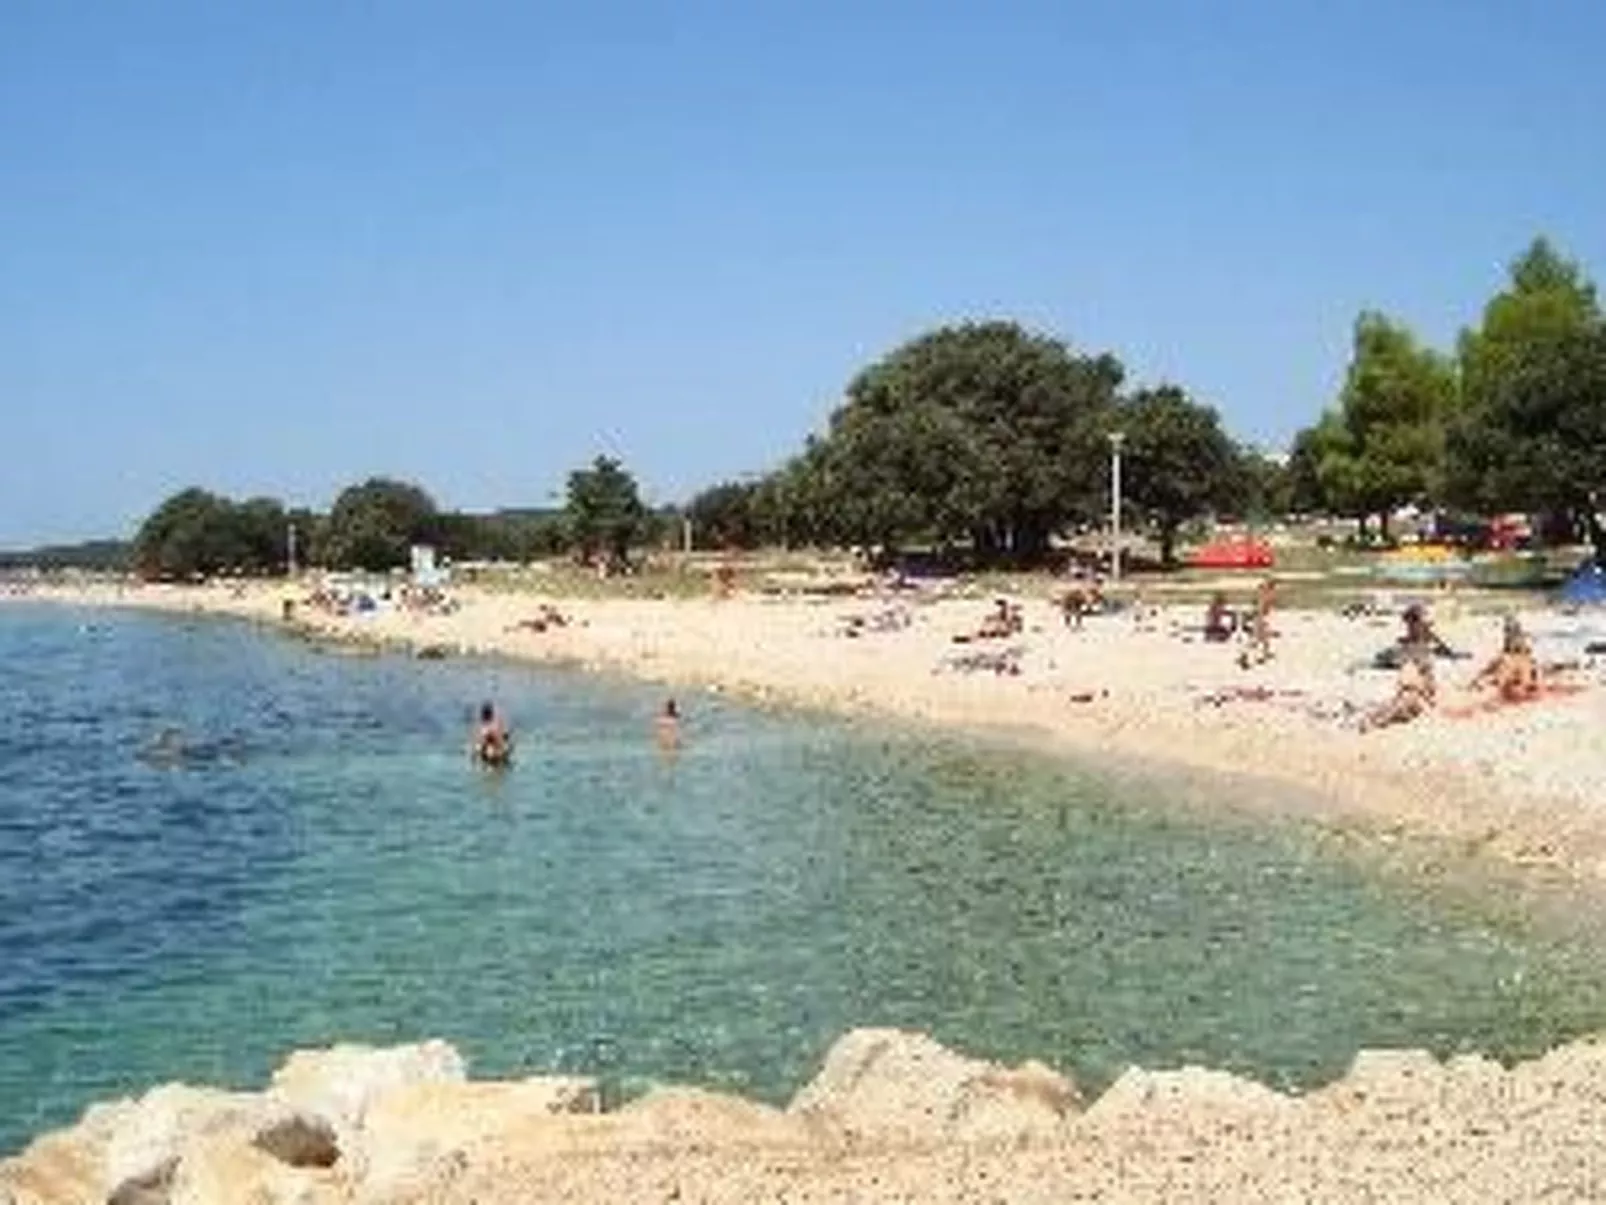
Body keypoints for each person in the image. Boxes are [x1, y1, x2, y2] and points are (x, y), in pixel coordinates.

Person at [1470, 615, 1541, 703]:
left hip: (1514, 690)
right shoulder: (1522, 659)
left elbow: (1488, 672)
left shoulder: (1507, 659)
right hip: (1521, 691)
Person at [471, 701, 513, 766]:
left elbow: (505, 735)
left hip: (495, 748)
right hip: (493, 748)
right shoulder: (483, 727)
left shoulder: (496, 724)